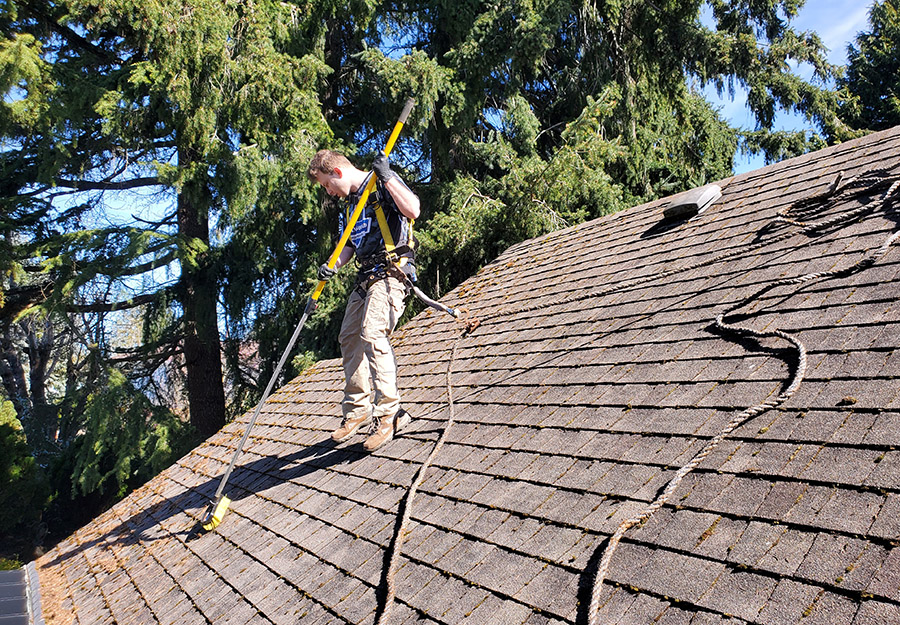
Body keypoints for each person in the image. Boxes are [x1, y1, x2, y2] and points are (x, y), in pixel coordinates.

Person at [307, 149, 420, 451]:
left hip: (393, 271)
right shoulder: (350, 207)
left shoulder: (381, 183)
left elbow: (413, 210)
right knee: (349, 336)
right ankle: (358, 410)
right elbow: (349, 246)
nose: (327, 191)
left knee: (372, 333)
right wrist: (332, 264)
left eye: (326, 184)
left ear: (337, 173)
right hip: (367, 275)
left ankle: (389, 414)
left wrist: (386, 176)